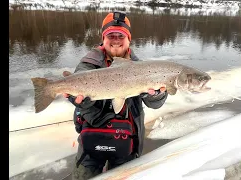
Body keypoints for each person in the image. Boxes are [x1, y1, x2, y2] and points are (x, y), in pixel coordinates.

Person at [63, 11, 168, 180]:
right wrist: (81, 102)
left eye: (121, 36)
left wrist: (155, 96)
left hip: (129, 141)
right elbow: (79, 94)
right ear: (103, 39)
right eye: (111, 35)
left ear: (129, 39)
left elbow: (155, 104)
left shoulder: (142, 68)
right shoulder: (88, 64)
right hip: (91, 140)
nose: (116, 40)